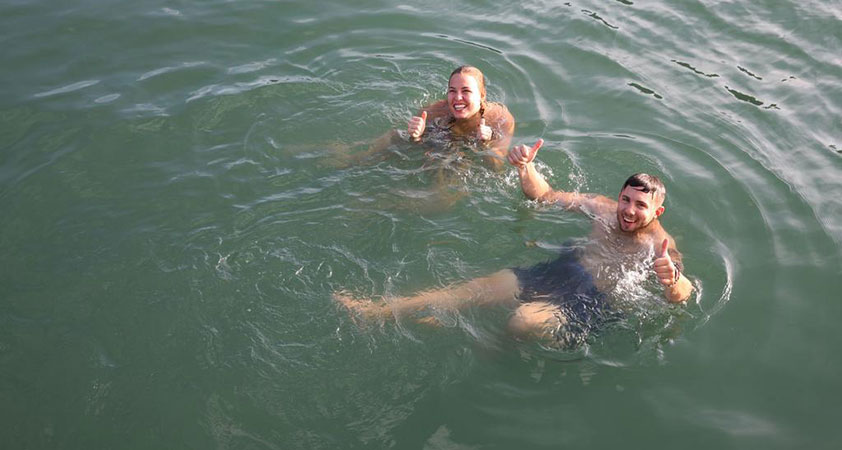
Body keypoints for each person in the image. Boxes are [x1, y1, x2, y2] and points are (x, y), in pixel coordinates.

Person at [335, 139, 693, 345]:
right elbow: (546, 196)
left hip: (590, 301)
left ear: (657, 212)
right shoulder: (602, 208)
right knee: (470, 290)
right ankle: (377, 311)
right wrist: (526, 169)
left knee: (521, 322)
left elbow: (682, 294)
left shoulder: (659, 244)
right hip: (560, 270)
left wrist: (672, 280)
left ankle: (490, 349)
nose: (629, 211)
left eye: (640, 206)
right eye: (626, 200)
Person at [349, 65, 515, 171]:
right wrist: (416, 136)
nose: (457, 98)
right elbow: (415, 145)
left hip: (463, 160)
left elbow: (497, 167)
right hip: (439, 147)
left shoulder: (500, 118)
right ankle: (350, 160)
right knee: (393, 136)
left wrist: (484, 144)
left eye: (466, 91)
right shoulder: (435, 111)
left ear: (482, 96)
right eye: (452, 91)